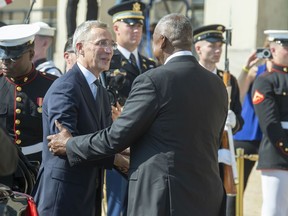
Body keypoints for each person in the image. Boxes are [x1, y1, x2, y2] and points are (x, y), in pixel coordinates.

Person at [47, 13, 228, 216]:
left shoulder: (154, 80)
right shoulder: (218, 85)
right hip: (208, 195)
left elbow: (115, 138)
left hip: (164, 198)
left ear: (162, 41)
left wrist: (70, 144)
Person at [32, 20, 126, 216]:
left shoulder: (98, 88)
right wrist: (119, 160)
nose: (109, 50)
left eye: (111, 44)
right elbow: (65, 146)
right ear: (80, 48)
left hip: (87, 196)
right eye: (101, 43)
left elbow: (104, 139)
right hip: (62, 198)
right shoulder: (66, 87)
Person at [103, 1, 157, 215]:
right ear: (116, 28)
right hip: (120, 148)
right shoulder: (108, 61)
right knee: (119, 208)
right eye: (130, 25)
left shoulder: (149, 65)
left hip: (146, 146)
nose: (136, 30)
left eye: (139, 26)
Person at [0, 24, 57, 163]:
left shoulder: (52, 85)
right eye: (2, 56)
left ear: (31, 54)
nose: (5, 62)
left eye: (13, 57)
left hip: (39, 163)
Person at [252, 30, 288, 216]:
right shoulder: (265, 81)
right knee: (275, 209)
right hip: (277, 152)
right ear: (272, 49)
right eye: (286, 47)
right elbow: (269, 122)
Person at [233, 44, 272, 190]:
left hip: (272, 136)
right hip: (247, 134)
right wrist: (246, 70)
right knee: (235, 190)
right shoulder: (255, 72)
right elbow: (238, 95)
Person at [193, 24, 243, 134]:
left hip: (219, 144)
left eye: (220, 46)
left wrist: (234, 123)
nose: (218, 50)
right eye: (212, 46)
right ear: (198, 49)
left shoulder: (229, 80)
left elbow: (239, 117)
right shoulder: (189, 77)